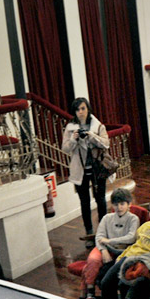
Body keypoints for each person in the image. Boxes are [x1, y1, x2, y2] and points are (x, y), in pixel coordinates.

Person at [63, 97, 111, 241]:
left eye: (83, 108)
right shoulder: (70, 128)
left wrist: (91, 136)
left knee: (100, 200)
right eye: (77, 109)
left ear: (88, 109)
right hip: (80, 170)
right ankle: (89, 232)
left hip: (97, 168)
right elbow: (65, 148)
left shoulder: (98, 126)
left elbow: (106, 144)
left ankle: (103, 231)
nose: (80, 112)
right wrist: (73, 139)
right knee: (84, 202)